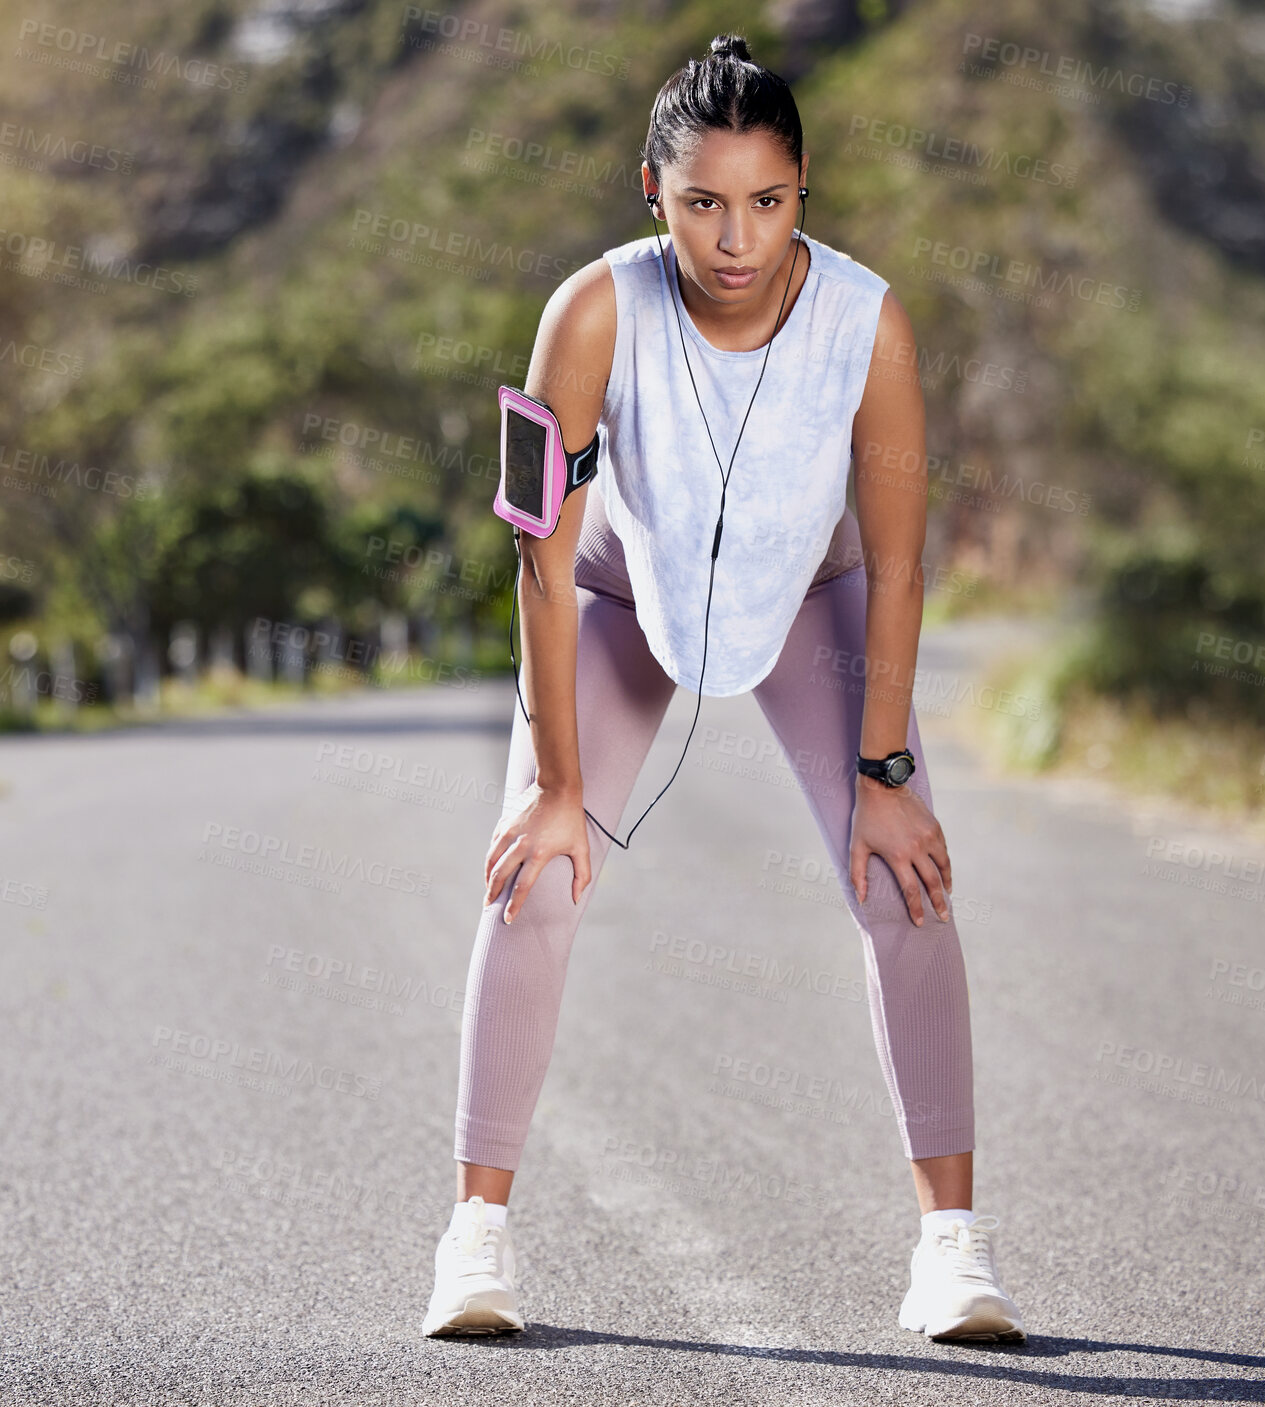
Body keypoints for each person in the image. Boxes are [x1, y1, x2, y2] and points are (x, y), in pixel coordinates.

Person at [421, 32, 1027, 1345]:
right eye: (703, 202)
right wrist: (562, 789)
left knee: (905, 880)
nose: (736, 238)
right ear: (654, 190)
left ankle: (952, 1249)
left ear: (802, 187)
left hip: (823, 604)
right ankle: (476, 1236)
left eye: (765, 201)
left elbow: (906, 562)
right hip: (619, 606)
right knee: (534, 873)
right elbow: (535, 546)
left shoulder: (869, 323)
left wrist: (885, 781)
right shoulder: (591, 311)